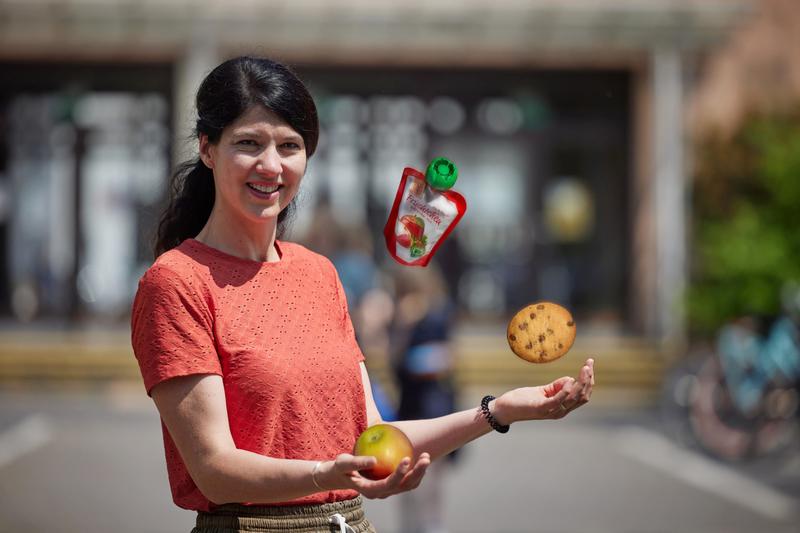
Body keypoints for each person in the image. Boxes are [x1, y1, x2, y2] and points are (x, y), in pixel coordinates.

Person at [130, 55, 595, 533]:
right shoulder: (176, 282)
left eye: (290, 146)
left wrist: (500, 410)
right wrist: (325, 473)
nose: (271, 165)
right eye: (249, 143)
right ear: (208, 148)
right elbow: (214, 472)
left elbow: (374, 436)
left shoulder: (320, 275)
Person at [390, 263, 459, 533]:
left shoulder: (438, 312)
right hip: (409, 403)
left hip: (434, 402)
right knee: (406, 472)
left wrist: (428, 359)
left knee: (433, 475)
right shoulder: (399, 315)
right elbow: (393, 359)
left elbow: (449, 356)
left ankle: (432, 526)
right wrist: (403, 326)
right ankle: (412, 527)